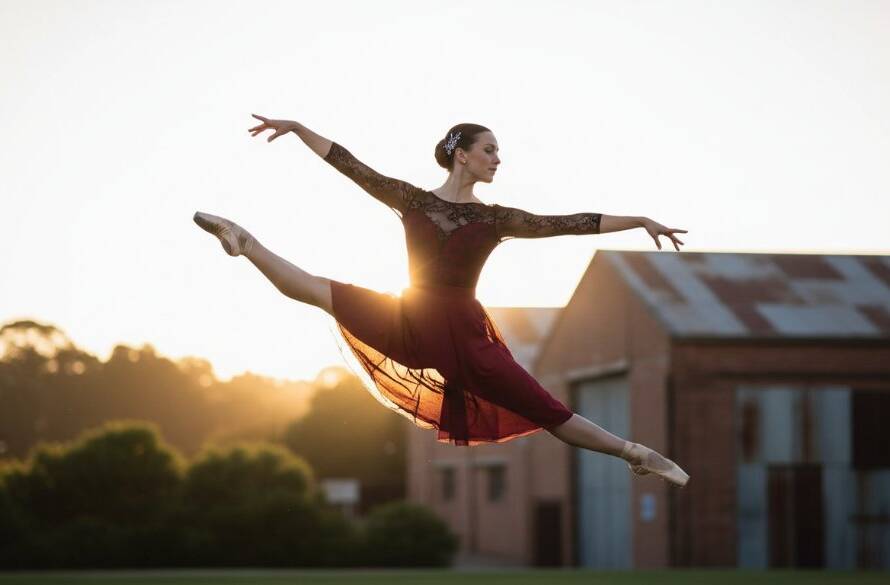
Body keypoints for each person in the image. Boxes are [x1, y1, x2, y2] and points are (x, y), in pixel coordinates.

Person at [193, 115, 689, 487]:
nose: (498, 159)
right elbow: (350, 165)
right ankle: (244, 241)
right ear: (462, 154)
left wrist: (639, 220)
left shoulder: (497, 218)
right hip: (408, 317)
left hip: (461, 336)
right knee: (315, 290)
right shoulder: (411, 199)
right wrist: (300, 128)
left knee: (547, 411)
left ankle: (636, 453)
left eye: (499, 152)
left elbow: (571, 222)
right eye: (490, 150)